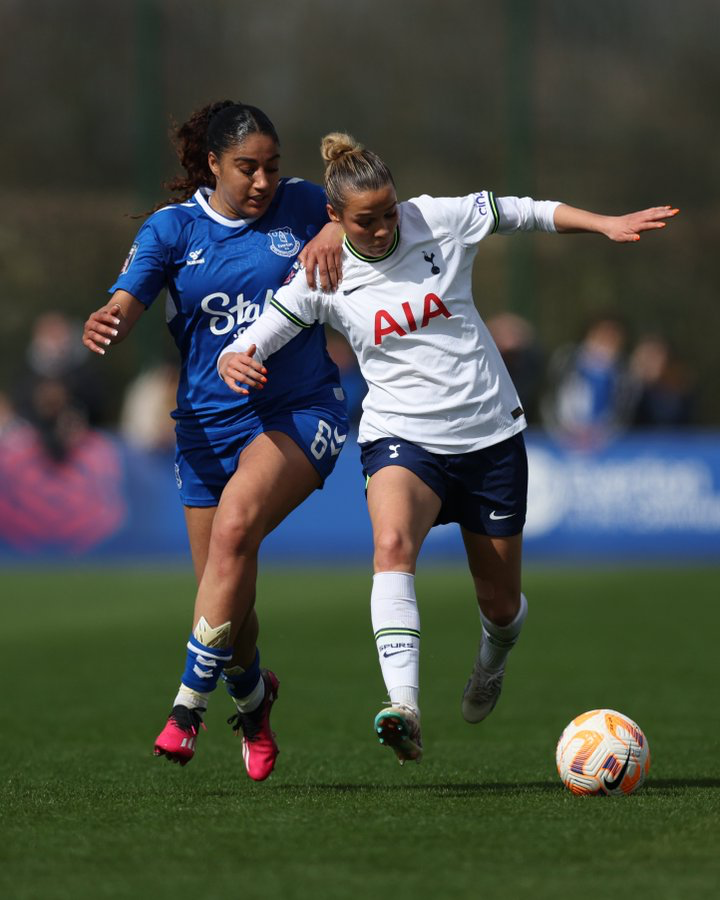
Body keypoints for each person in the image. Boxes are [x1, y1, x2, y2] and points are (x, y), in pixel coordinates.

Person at [218, 132, 678, 765]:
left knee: (501, 604)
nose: (383, 229)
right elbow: (257, 335)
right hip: (401, 437)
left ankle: (492, 660)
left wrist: (604, 224)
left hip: (489, 433)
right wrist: (233, 358)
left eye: (388, 213)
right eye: (365, 220)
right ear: (334, 219)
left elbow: (524, 210)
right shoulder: (323, 272)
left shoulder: (437, 218)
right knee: (391, 546)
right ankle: (403, 707)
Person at [82, 101, 349, 781]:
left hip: (301, 410)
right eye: (247, 167)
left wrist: (338, 227)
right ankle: (254, 702)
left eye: (272, 166)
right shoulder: (172, 229)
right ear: (212, 164)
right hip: (206, 427)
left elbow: (382, 208)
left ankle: (185, 709)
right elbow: (130, 292)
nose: (263, 181)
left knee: (234, 533)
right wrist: (110, 315)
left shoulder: (306, 204)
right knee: (227, 608)